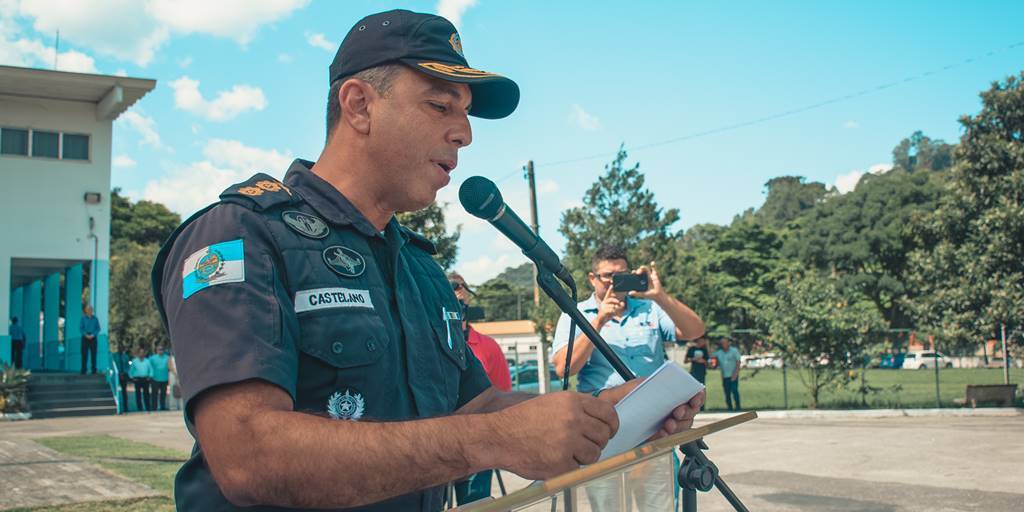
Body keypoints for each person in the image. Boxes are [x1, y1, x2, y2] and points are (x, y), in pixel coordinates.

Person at [151, 10, 703, 511]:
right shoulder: (241, 235)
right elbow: (248, 456)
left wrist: (607, 413)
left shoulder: (418, 267)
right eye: (440, 105)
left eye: (465, 114)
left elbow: (475, 405)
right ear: (359, 105)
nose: (463, 134)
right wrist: (491, 441)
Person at [550, 244, 706, 511]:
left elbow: (695, 330)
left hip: (655, 430)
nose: (614, 283)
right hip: (603, 433)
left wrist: (660, 296)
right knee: (609, 508)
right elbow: (564, 369)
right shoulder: (575, 314)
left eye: (621, 276)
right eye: (607, 276)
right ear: (592, 278)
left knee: (659, 507)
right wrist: (598, 322)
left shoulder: (649, 309)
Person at [447, 272, 512, 505]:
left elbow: (502, 396)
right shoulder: (425, 341)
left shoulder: (488, 346)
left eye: (461, 303)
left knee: (475, 504)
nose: (457, 308)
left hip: (476, 446)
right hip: (433, 440)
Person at [713, 338, 742, 411]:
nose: (723, 344)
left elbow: (738, 363)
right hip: (724, 376)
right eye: (722, 343)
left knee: (734, 391)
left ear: (728, 343)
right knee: (727, 392)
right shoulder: (719, 352)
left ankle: (738, 406)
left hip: (733, 375)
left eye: (725, 343)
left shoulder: (734, 351)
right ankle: (730, 407)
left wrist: (735, 374)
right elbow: (711, 356)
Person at [128, 348, 153, 412]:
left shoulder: (147, 361)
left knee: (146, 394)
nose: (141, 354)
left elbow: (151, 369)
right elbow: (131, 370)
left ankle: (148, 407)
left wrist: (150, 376)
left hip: (145, 379)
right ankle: (140, 408)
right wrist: (132, 377)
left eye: (143, 352)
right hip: (137, 379)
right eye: (140, 352)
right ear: (138, 353)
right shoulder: (134, 361)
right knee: (138, 394)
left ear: (144, 353)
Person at [148, 345, 171, 411]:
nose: (160, 351)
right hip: (155, 379)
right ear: (156, 350)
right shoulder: (152, 358)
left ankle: (162, 407)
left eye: (162, 349)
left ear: (163, 350)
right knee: (154, 394)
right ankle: (154, 407)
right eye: (159, 349)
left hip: (164, 378)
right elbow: (149, 367)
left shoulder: (167, 358)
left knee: (163, 394)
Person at [80, 305, 100, 374]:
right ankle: (83, 370)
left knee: (93, 355)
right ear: (86, 311)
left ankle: (94, 370)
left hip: (93, 338)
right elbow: (81, 328)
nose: (89, 311)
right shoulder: (83, 318)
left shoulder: (95, 319)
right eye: (88, 310)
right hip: (85, 338)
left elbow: (98, 328)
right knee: (84, 354)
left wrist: (93, 335)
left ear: (92, 311)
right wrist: (86, 335)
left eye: (90, 310)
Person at [112, 348, 131, 413]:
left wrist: (124, 373)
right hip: (117, 375)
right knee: (116, 391)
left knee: (124, 392)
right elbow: (114, 365)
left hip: (124, 375)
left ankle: (126, 407)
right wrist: (119, 373)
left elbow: (127, 366)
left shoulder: (125, 356)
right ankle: (118, 407)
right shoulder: (114, 356)